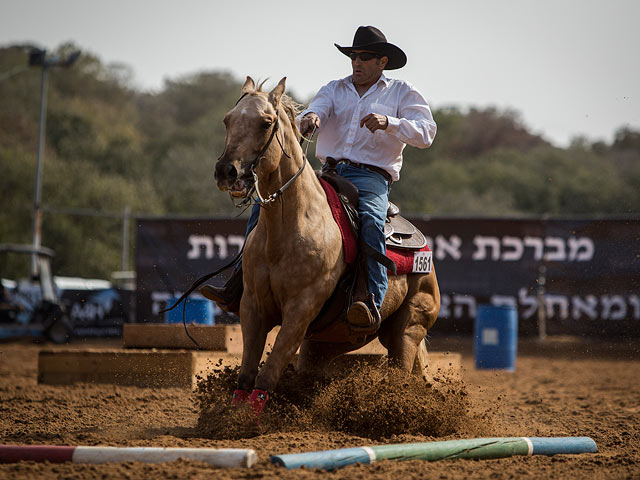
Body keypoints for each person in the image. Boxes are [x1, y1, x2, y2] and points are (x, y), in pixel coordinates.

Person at [202, 25, 437, 329]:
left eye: (365, 57)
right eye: (353, 56)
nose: (357, 62)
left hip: (371, 179)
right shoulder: (334, 88)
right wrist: (309, 118)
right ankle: (239, 284)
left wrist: (389, 122)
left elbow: (426, 133)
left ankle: (370, 300)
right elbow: (317, 111)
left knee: (371, 220)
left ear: (382, 62)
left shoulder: (402, 92)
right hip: (327, 173)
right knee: (266, 204)